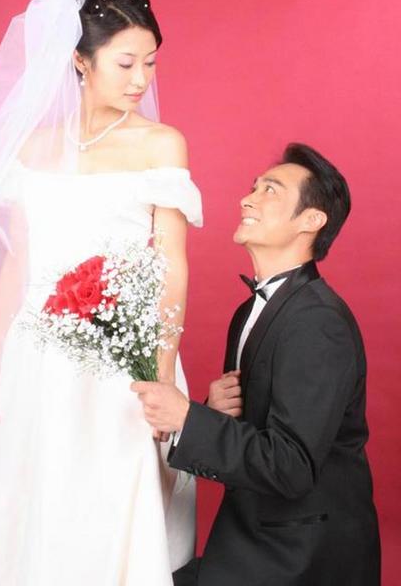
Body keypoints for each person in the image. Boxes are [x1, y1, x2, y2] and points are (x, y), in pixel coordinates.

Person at [0, 0, 203, 585]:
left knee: (107, 502)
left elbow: (173, 264)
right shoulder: (31, 148)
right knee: (30, 502)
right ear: (81, 61)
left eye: (151, 63)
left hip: (121, 356)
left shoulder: (161, 143)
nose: (141, 79)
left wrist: (162, 370)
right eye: (126, 64)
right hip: (37, 356)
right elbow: (17, 263)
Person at [133, 143, 381, 585]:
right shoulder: (249, 312)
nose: (247, 199)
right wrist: (211, 413)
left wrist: (188, 419)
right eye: (253, 188)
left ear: (311, 220)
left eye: (270, 190)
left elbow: (291, 466)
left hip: (300, 557)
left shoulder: (317, 321)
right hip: (251, 538)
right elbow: (259, 437)